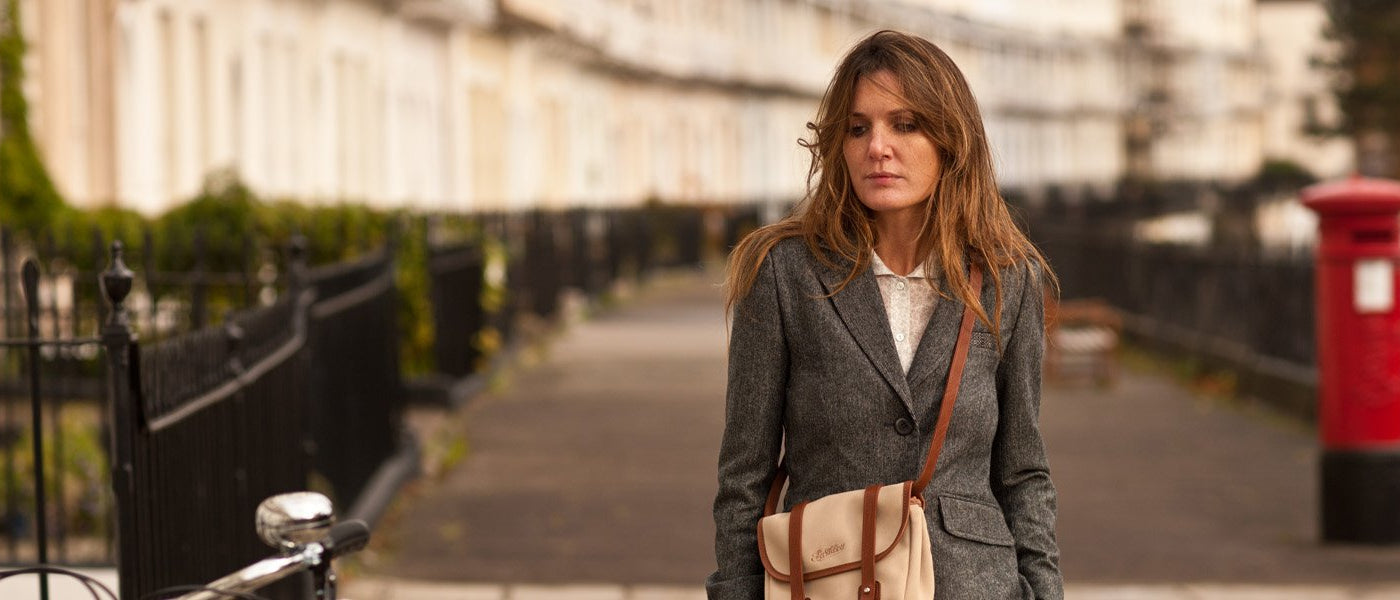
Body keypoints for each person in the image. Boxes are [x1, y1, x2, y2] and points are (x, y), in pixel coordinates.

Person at [707, 30, 1062, 599]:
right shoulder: (783, 272)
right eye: (857, 127)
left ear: (951, 140)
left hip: (972, 584)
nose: (877, 146)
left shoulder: (1006, 279)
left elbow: (1022, 471)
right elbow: (744, 476)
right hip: (829, 580)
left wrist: (1043, 591)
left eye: (905, 124)